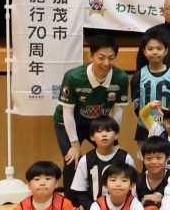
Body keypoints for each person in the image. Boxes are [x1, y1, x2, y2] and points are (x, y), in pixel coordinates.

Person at [53, 35, 130, 189]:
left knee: (113, 157)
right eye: (101, 58)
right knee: (72, 160)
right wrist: (75, 145)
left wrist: (114, 137)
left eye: (111, 58)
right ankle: (71, 201)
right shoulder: (73, 77)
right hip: (69, 122)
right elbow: (67, 112)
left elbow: (118, 110)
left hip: (97, 124)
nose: (106, 63)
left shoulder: (121, 77)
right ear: (91, 56)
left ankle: (104, 197)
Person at [67, 116, 134, 210]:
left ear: (116, 135)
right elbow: (81, 192)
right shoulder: (86, 160)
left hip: (122, 208)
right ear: (92, 137)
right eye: (99, 131)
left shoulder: (125, 158)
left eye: (108, 131)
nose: (104, 135)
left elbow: (132, 188)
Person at [132, 29, 170, 142]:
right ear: (144, 51)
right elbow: (136, 104)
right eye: (150, 49)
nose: (155, 52)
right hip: (144, 127)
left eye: (159, 48)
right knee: (146, 153)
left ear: (166, 51)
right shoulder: (138, 76)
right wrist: (147, 120)